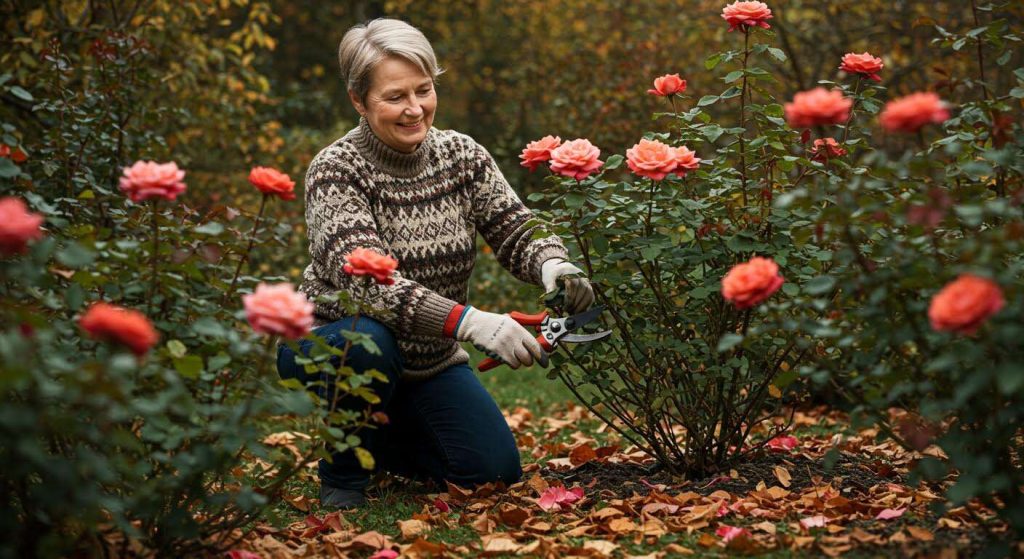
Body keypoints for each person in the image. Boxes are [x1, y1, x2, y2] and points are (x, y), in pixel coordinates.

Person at [275, 18, 595, 509]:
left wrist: (554, 266)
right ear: (359, 101)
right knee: (370, 344)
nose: (414, 109)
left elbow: (514, 226)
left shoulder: (462, 156)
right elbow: (367, 286)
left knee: (492, 471)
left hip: (428, 362)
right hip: (335, 342)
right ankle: (343, 477)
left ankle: (377, 437)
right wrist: (470, 321)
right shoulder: (336, 169)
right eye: (395, 96)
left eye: (424, 90)